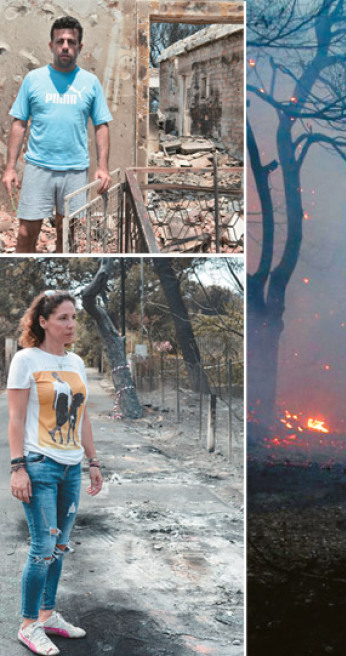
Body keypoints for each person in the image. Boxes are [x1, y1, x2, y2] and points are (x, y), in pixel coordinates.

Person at [7, 291, 103, 655]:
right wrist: (18, 468)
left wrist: (92, 461)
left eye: (74, 317)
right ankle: (29, 624)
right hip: (39, 465)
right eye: (63, 318)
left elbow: (84, 417)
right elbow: (15, 419)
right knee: (42, 547)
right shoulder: (25, 360)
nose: (71, 325)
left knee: (59, 547)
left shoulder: (76, 362)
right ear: (43, 321)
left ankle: (48, 614)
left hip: (71, 467)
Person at [3, 16, 113, 254]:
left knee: (67, 238)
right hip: (38, 168)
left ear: (79, 47)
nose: (65, 46)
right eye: (60, 41)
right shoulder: (34, 80)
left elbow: (101, 125)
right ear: (51, 45)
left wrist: (103, 166)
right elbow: (19, 123)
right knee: (25, 235)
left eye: (71, 41)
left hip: (74, 171)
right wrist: (10, 168)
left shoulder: (90, 83)